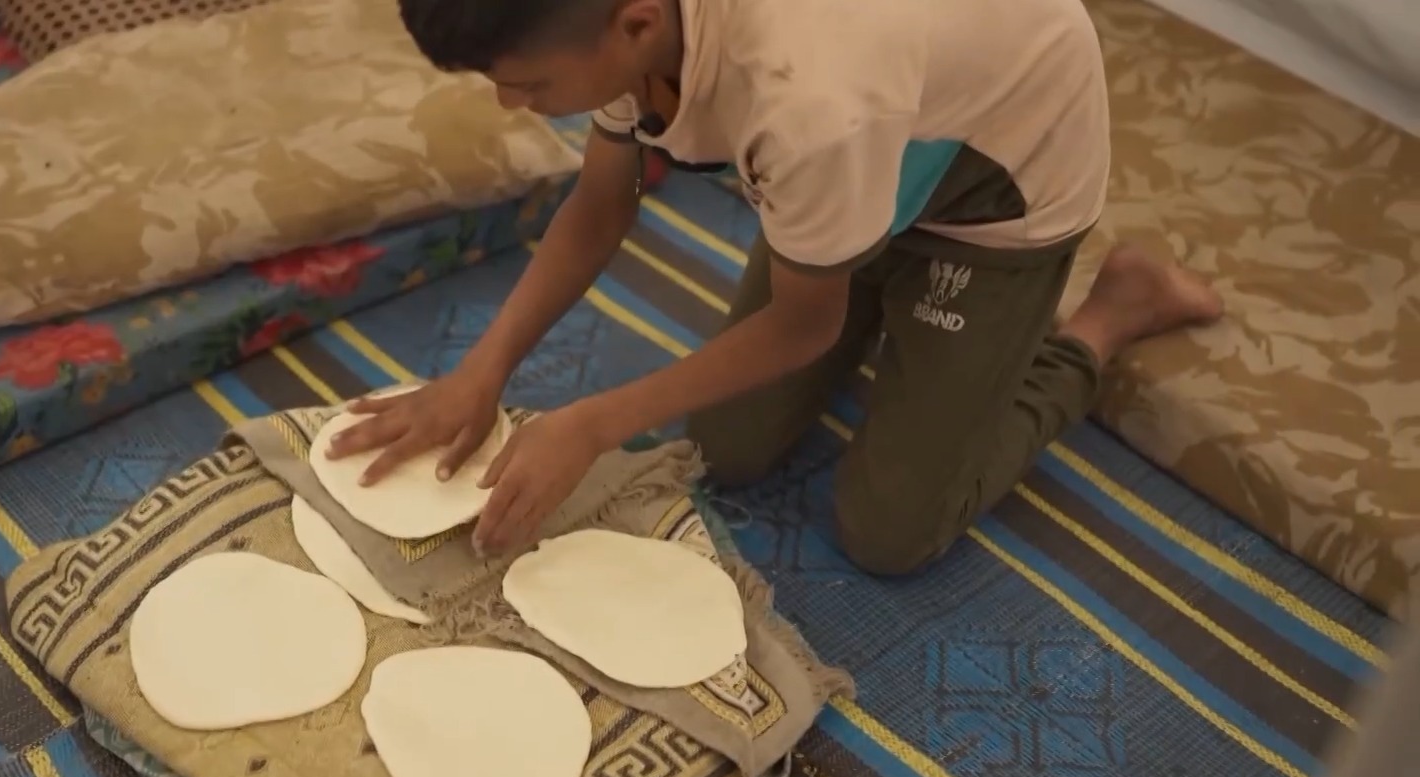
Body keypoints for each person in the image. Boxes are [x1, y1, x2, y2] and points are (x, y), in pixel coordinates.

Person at [323, 0, 1226, 570]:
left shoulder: (807, 99)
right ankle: (863, 268)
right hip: (864, 159)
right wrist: (482, 371)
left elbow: (801, 328)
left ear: (636, 26)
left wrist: (592, 424)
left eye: (526, 84)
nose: (510, 104)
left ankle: (1109, 317)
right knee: (727, 446)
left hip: (992, 192)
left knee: (889, 531)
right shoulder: (627, 29)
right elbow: (602, 203)